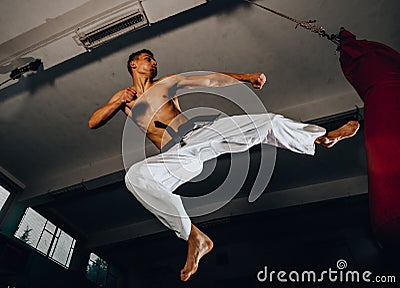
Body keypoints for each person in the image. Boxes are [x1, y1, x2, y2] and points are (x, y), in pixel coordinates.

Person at [88, 49, 360, 281]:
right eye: (148, 59)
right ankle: (194, 237)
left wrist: (246, 78)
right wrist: (118, 103)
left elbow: (208, 79)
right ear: (133, 65)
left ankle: (322, 137)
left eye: (155, 60)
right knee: (136, 176)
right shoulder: (123, 98)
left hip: (200, 134)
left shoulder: (166, 84)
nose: (154, 64)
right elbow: (94, 121)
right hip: (179, 157)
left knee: (268, 122)